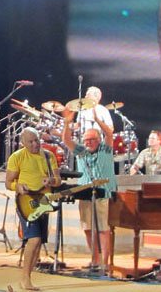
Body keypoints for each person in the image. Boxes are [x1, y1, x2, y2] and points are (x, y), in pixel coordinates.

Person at [5, 128, 60, 291]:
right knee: (34, 239)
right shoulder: (17, 157)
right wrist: (18, 187)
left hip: (44, 202)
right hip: (26, 203)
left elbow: (58, 180)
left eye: (37, 140)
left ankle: (27, 276)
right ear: (23, 143)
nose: (35, 144)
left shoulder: (49, 156)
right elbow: (8, 183)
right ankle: (25, 278)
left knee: (39, 242)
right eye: (31, 142)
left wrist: (52, 180)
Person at [62, 107, 117, 272]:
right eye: (86, 140)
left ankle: (105, 263)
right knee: (88, 228)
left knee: (103, 229)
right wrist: (67, 122)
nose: (88, 143)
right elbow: (66, 140)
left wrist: (98, 120)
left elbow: (109, 134)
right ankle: (95, 260)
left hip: (103, 193)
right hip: (85, 193)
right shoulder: (81, 151)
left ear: (98, 140)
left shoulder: (105, 149)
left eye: (92, 140)